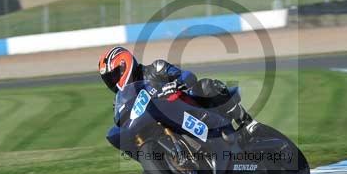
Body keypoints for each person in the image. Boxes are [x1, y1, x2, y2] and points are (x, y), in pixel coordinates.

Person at [98, 46, 254, 128]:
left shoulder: (155, 69)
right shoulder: (120, 101)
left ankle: (246, 122)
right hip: (161, 124)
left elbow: (187, 76)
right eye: (108, 79)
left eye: (113, 76)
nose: (112, 81)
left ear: (125, 65)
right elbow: (122, 123)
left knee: (205, 86)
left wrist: (175, 83)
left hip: (188, 108)